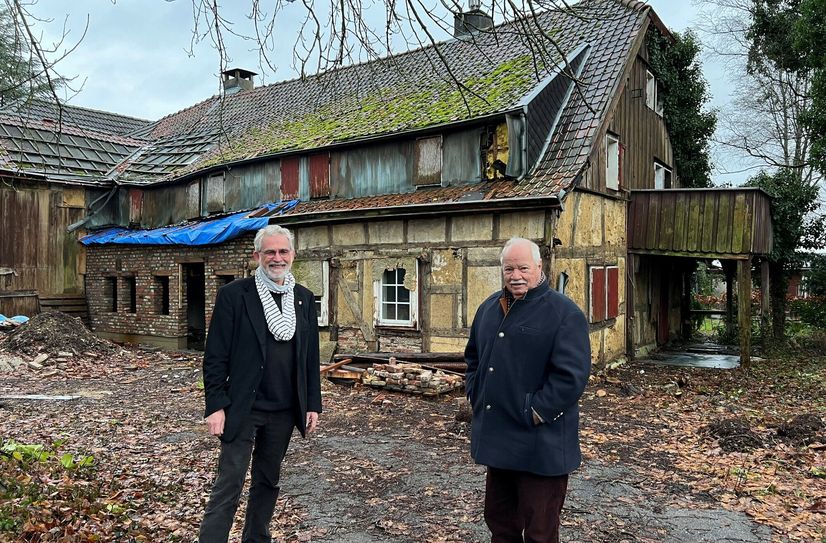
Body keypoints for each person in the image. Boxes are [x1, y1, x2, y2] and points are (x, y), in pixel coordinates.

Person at [199, 224, 322, 543]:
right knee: (230, 484)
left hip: (283, 410)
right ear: (257, 256)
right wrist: (216, 406)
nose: (277, 258)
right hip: (242, 408)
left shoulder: (304, 298)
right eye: (270, 252)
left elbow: (309, 355)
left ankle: (256, 538)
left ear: (293, 255)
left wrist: (311, 403)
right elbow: (215, 357)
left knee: (268, 482)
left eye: (283, 251)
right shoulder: (234, 296)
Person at [464, 237, 591, 543]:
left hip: (541, 446)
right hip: (499, 442)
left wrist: (533, 411)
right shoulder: (489, 308)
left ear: (539, 267)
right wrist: (476, 393)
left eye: (523, 268)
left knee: (540, 532)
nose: (515, 275)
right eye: (509, 268)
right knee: (501, 525)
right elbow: (473, 359)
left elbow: (572, 377)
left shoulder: (564, 313)